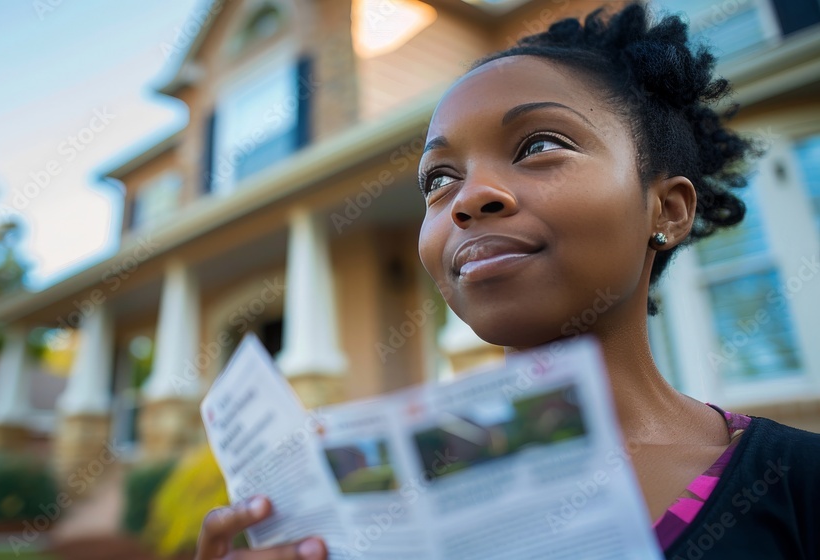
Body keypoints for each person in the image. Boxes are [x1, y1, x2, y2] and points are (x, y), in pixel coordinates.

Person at [195, 4, 820, 559]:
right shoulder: (371, 521)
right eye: (438, 180)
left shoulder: (796, 483)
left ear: (668, 210)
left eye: (539, 145)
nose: (469, 199)